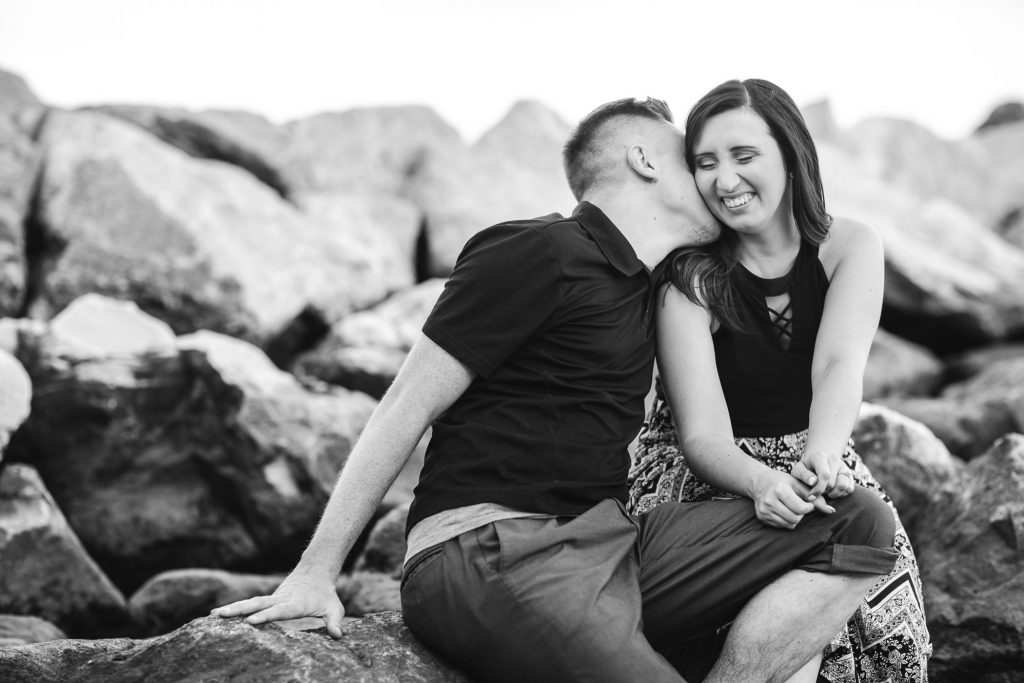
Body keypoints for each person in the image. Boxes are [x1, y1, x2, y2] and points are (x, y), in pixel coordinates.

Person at [212, 96, 900, 683]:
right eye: (694, 157)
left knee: (859, 521)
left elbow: (816, 354)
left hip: (612, 545)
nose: (712, 178)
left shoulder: (650, 284)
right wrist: (315, 569)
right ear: (646, 159)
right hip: (491, 548)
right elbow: (405, 404)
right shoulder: (534, 250)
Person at [628, 79, 931, 682]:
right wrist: (762, 484)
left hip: (815, 450)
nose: (725, 180)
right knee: (779, 630)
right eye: (706, 163)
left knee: (869, 583)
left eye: (744, 156)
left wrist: (822, 454)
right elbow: (702, 433)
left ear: (791, 155)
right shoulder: (688, 278)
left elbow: (837, 366)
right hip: (704, 474)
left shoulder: (849, 246)